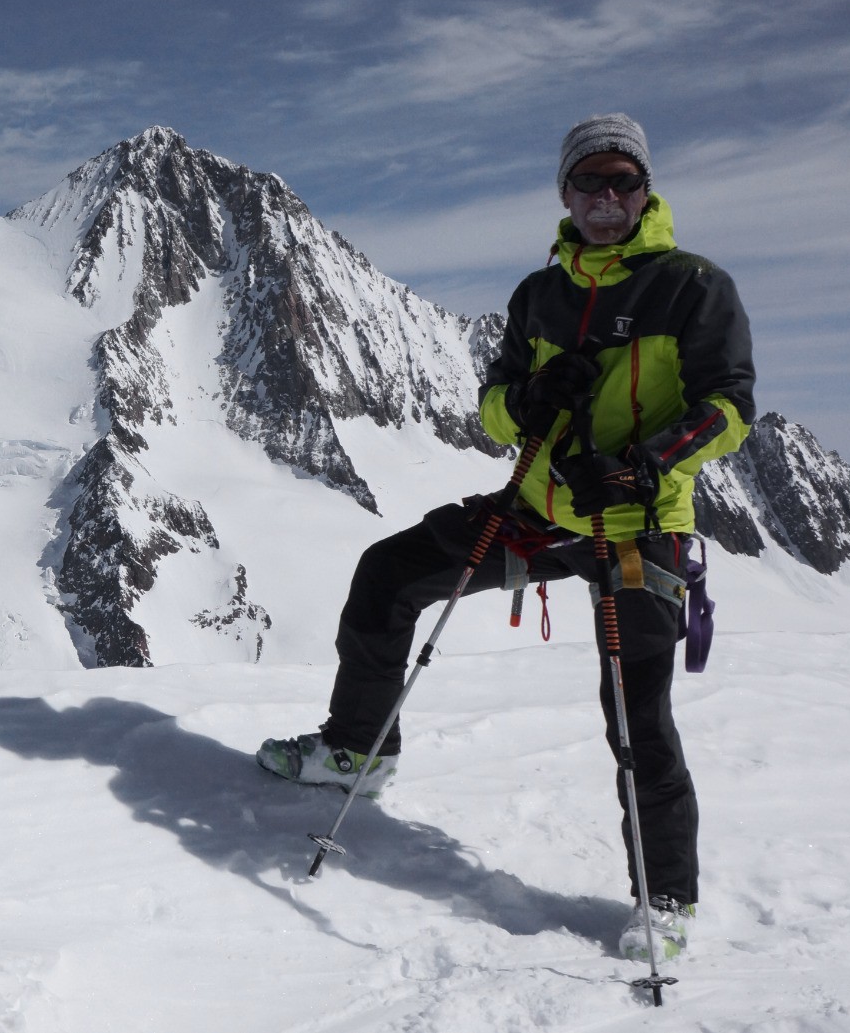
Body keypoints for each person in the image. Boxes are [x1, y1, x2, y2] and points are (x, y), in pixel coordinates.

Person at [257, 113, 755, 962]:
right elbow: (492, 403)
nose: (607, 197)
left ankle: (665, 896)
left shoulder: (692, 286)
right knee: (390, 574)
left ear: (645, 191)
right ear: (565, 192)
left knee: (639, 717)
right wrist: (526, 403)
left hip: (636, 523)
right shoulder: (540, 295)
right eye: (591, 181)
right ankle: (355, 751)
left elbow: (731, 408)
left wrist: (641, 465)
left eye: (622, 182)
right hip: (536, 507)